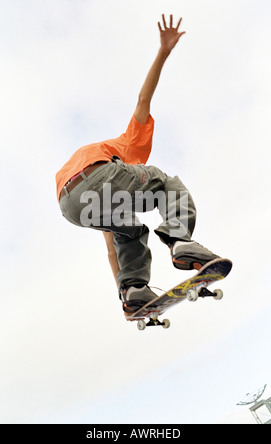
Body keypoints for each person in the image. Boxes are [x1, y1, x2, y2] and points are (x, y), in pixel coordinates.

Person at [56, 14, 221, 315]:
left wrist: (125, 297)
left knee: (128, 231)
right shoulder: (129, 141)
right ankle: (180, 239)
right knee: (163, 181)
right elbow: (144, 97)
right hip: (98, 175)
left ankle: (134, 288)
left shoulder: (120, 191)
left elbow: (111, 250)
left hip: (71, 205)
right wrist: (164, 52)